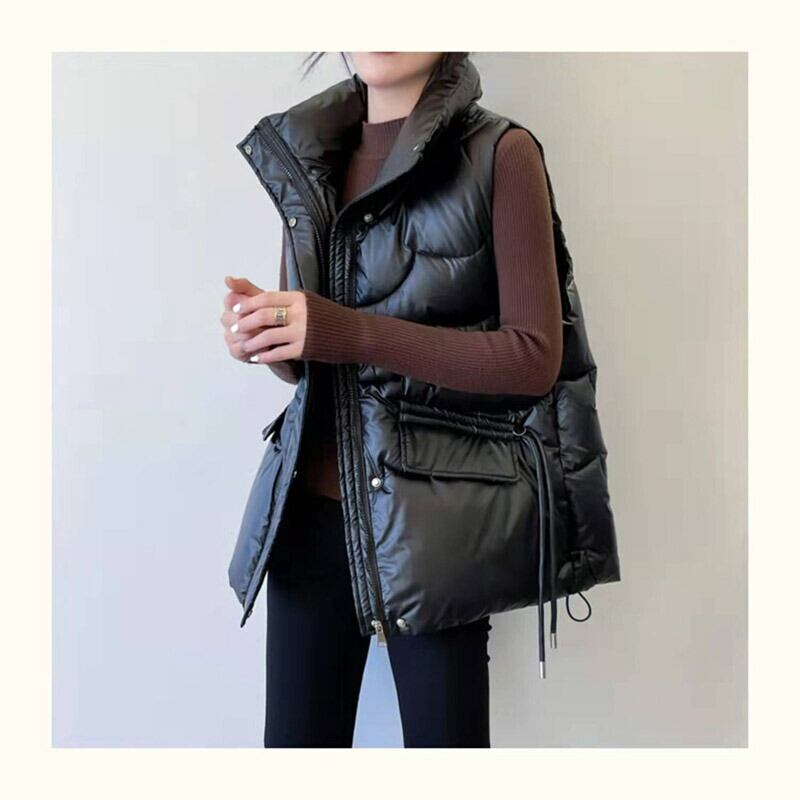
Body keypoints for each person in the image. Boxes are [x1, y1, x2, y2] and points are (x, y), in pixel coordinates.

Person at [222, 53, 564, 748]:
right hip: (307, 521)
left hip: (436, 530)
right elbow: (313, 361)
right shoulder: (306, 151)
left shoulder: (502, 153)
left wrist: (342, 330)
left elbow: (533, 358)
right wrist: (272, 338)